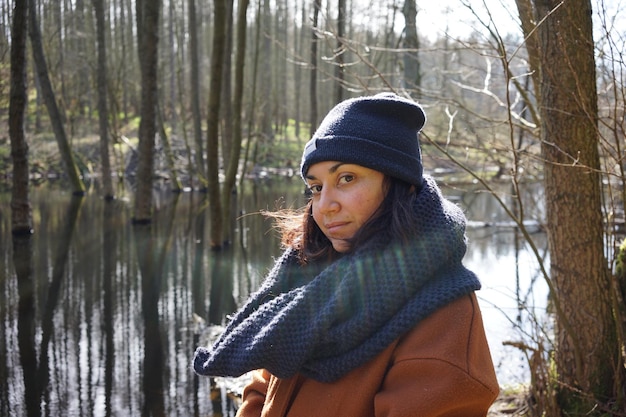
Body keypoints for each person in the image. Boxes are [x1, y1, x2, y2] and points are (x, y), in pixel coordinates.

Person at [193, 92, 499, 417]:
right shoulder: (311, 272)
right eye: (316, 187)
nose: (325, 205)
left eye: (347, 178)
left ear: (401, 184)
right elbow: (263, 383)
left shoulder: (443, 318)